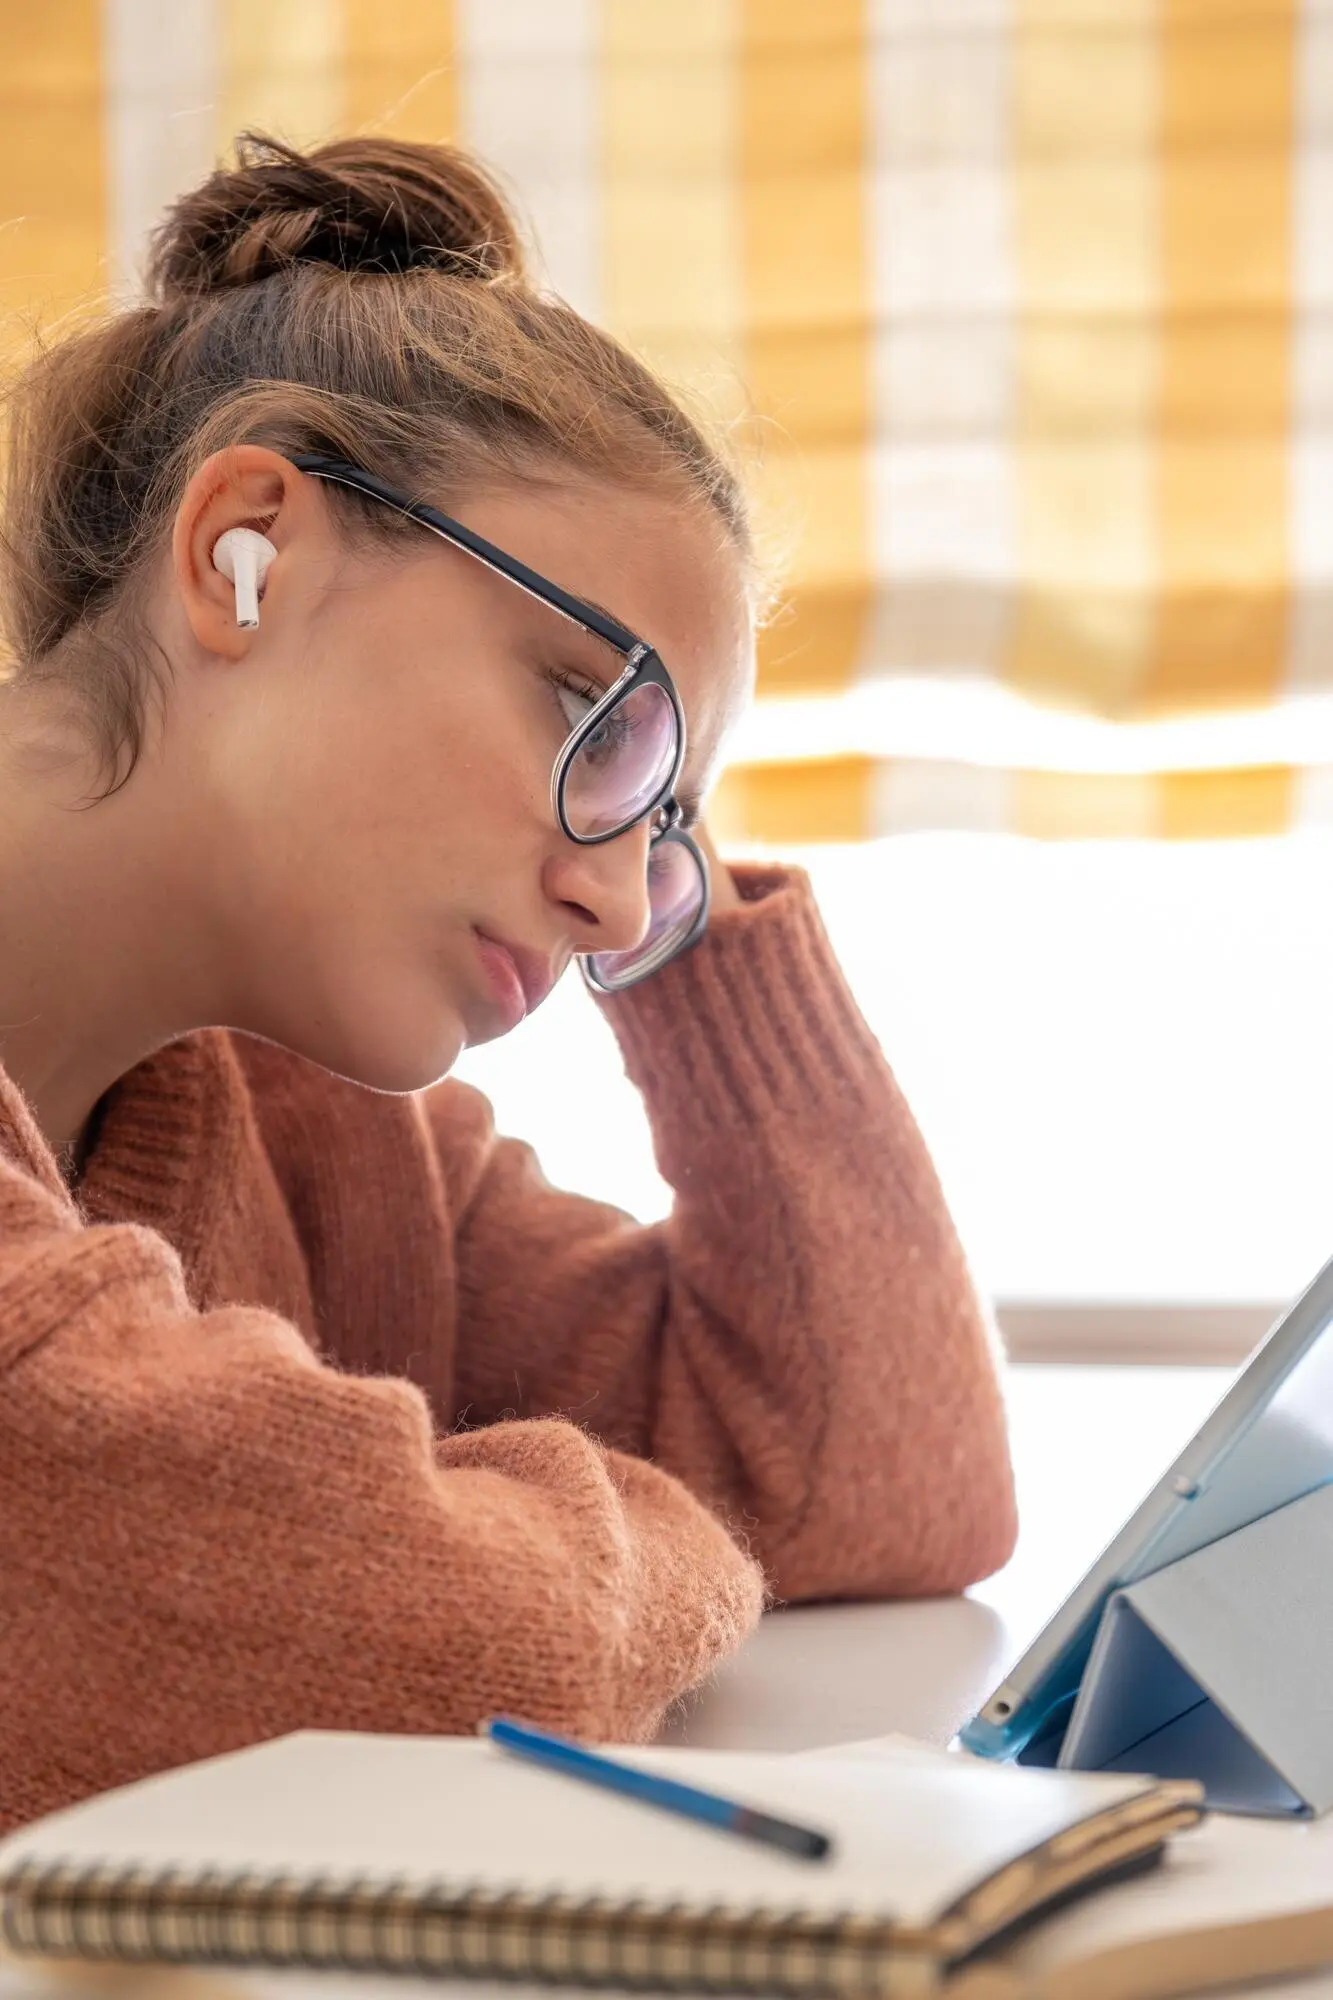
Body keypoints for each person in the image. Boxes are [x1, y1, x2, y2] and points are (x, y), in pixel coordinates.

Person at [0, 133, 1016, 1834]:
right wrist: (654, 1530)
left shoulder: (317, 1134)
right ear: (249, 546)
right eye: (589, 714)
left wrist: (683, 906)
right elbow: (421, 1634)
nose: (617, 907)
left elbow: (870, 1483)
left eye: (670, 811)